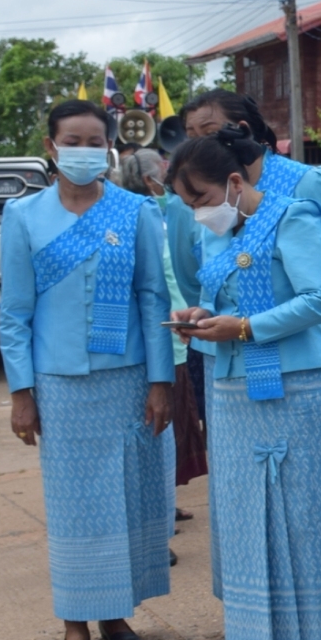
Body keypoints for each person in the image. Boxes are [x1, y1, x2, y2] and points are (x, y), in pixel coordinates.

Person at [169, 131, 321, 640]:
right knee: (239, 515)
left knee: (303, 512)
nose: (197, 212)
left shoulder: (291, 216)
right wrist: (203, 316)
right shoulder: (220, 229)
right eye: (187, 204)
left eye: (200, 197)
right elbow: (227, 300)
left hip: (298, 382)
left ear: (235, 182)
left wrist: (248, 327)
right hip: (231, 384)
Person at [0, 103, 176, 640]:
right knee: (75, 507)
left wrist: (160, 380)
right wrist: (21, 392)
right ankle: (74, 622)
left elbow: (153, 299)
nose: (83, 150)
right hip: (61, 384)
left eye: (94, 141)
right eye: (71, 140)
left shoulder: (138, 212)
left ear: (109, 149)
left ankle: (116, 613)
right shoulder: (23, 216)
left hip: (126, 379)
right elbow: (15, 311)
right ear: (52, 147)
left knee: (125, 499)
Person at [114, 149, 207, 512]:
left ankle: (165, 505)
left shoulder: (160, 213)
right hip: (168, 336)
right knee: (165, 424)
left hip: (174, 332)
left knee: (172, 426)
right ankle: (159, 508)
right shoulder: (149, 216)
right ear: (154, 179)